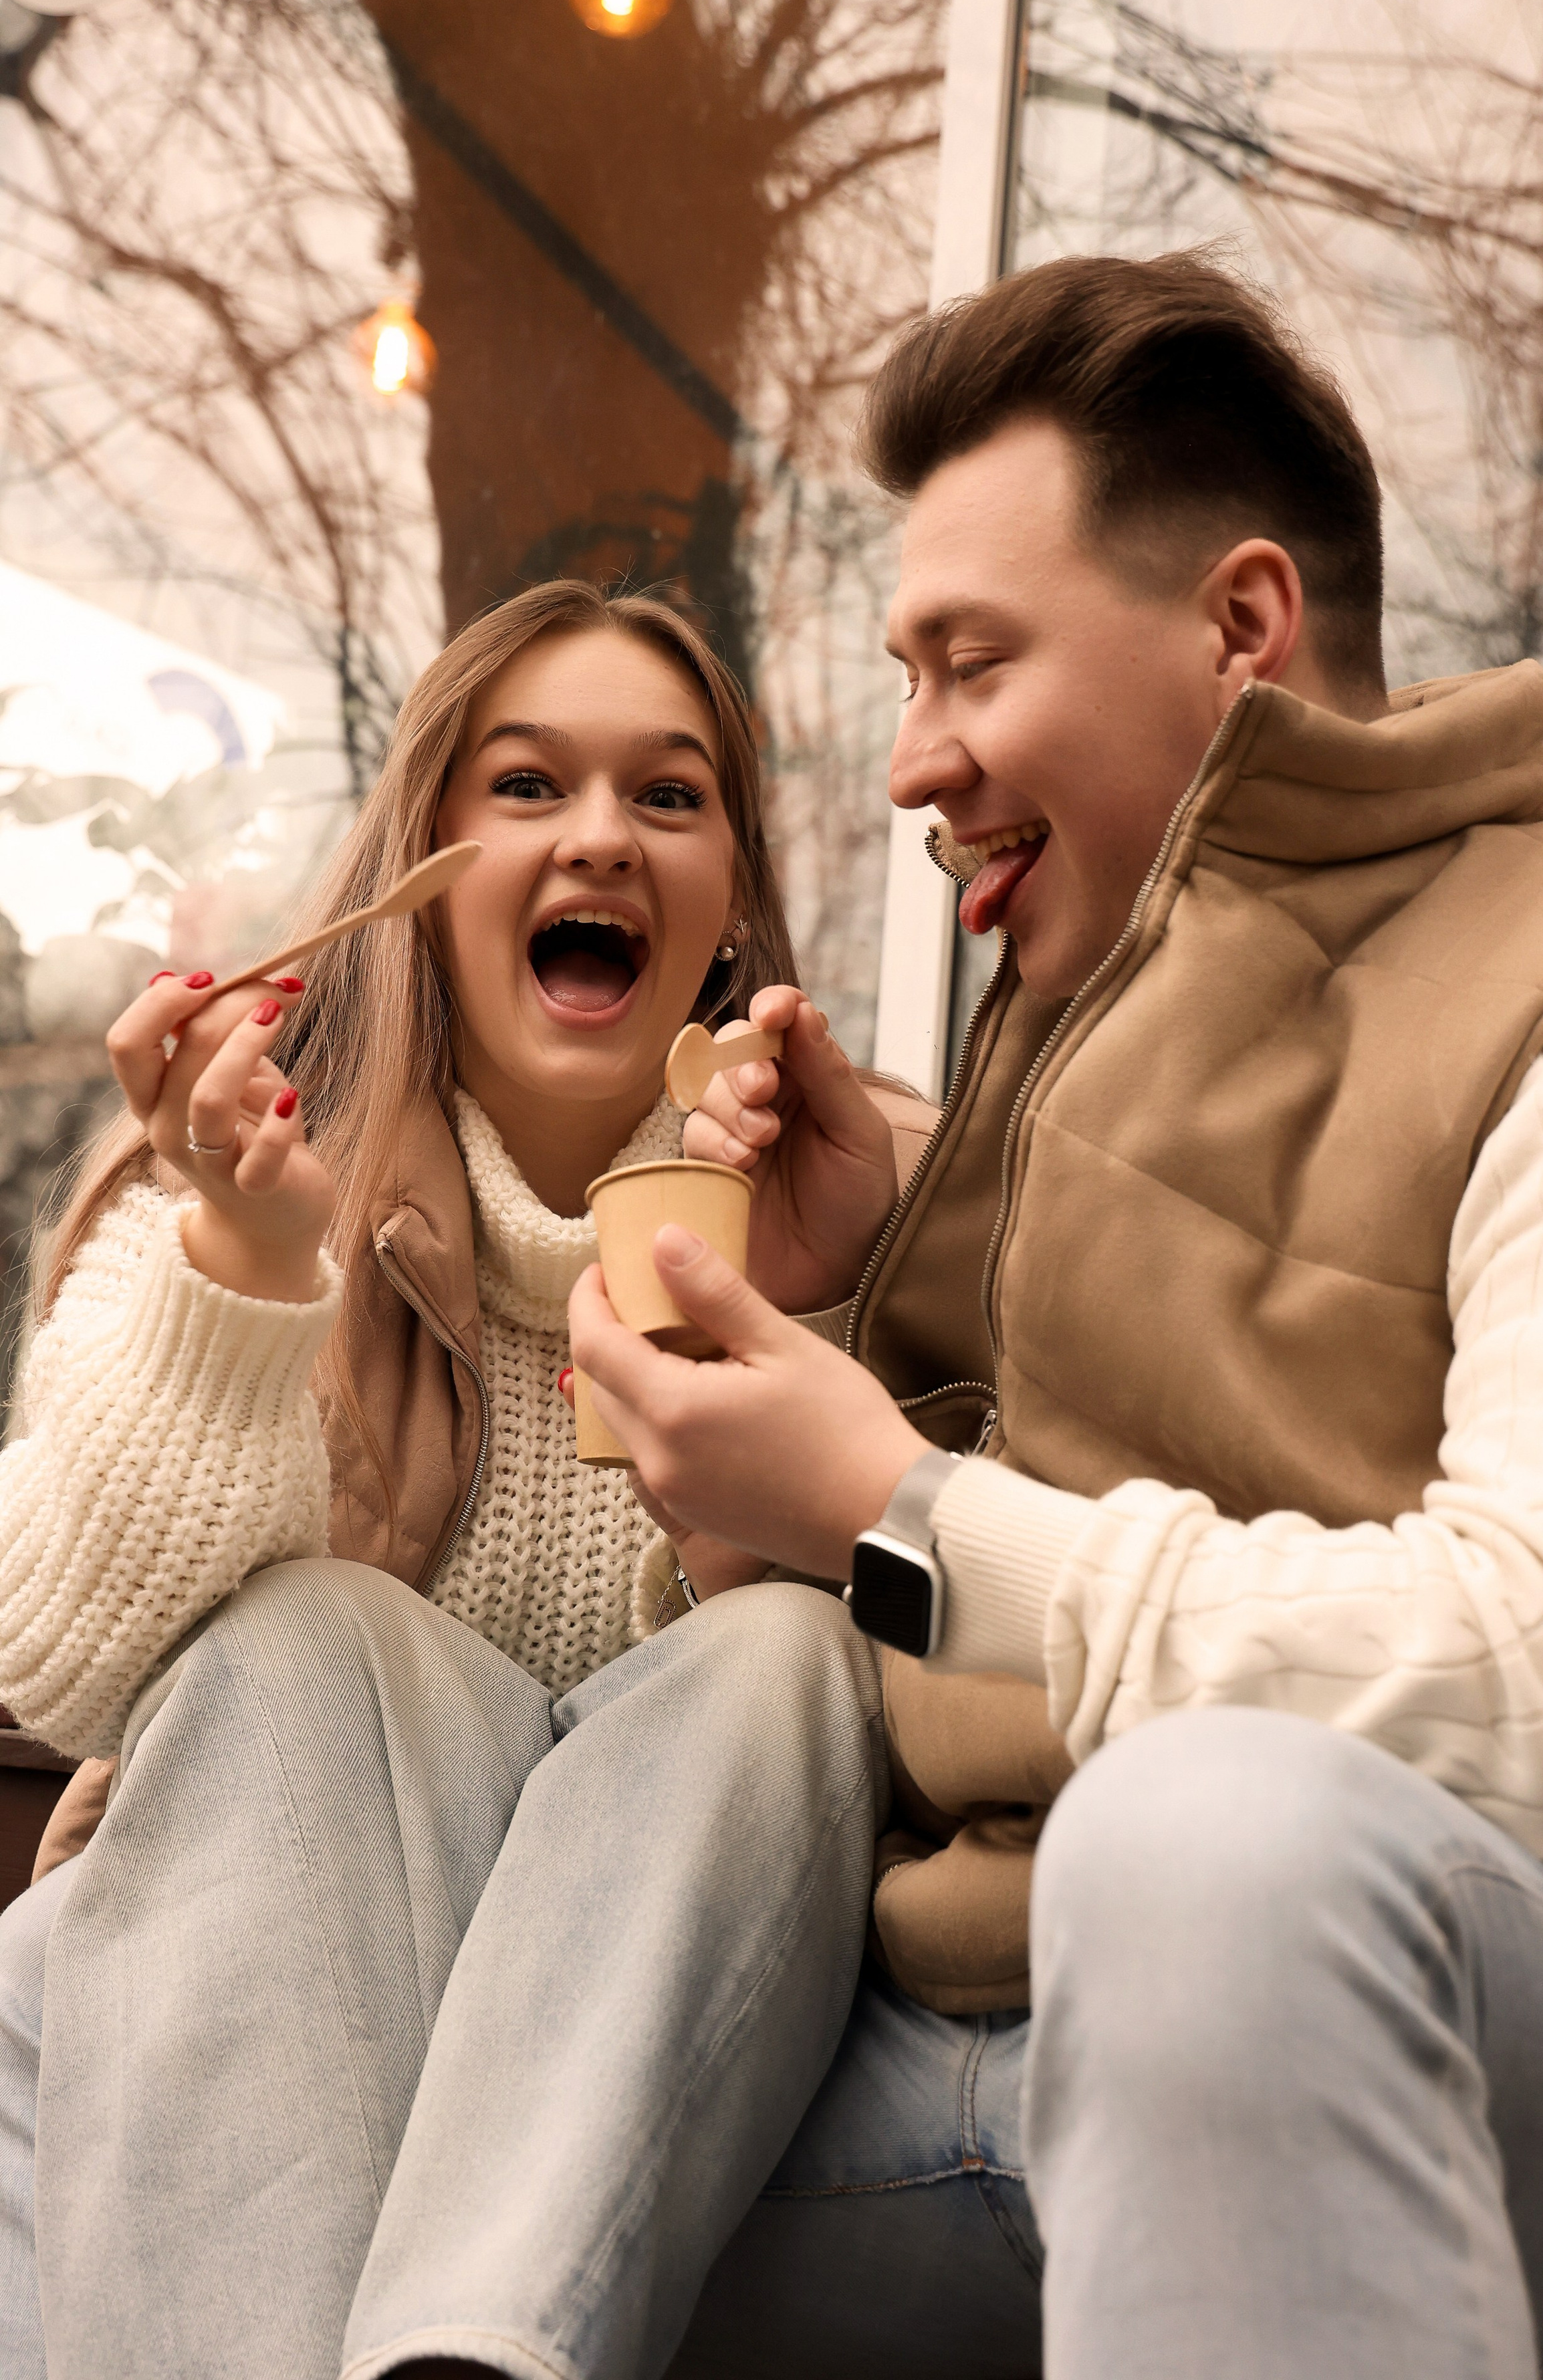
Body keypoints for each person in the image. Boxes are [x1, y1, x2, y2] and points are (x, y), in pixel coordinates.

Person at [562, 255, 1543, 2379]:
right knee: (149, 1985)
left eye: (968, 663)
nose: (913, 765)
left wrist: (900, 1503)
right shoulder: (1047, 1039)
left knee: (1212, 1836)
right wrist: (846, 1323)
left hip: (1508, 2080)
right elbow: (873, 1634)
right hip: (966, 2045)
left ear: (1241, 628)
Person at [0, 577, 927, 2377]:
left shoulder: (890, 1195)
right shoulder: (234, 1174)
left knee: (784, 1657)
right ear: (418, 866)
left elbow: (959, 1665)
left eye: (670, 797)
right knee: (302, 1638)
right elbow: (50, 1658)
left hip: (648, 2071)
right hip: (231, 2017)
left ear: (733, 896)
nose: (602, 835)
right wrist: (255, 1268)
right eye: (526, 787)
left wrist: (784, 1337)